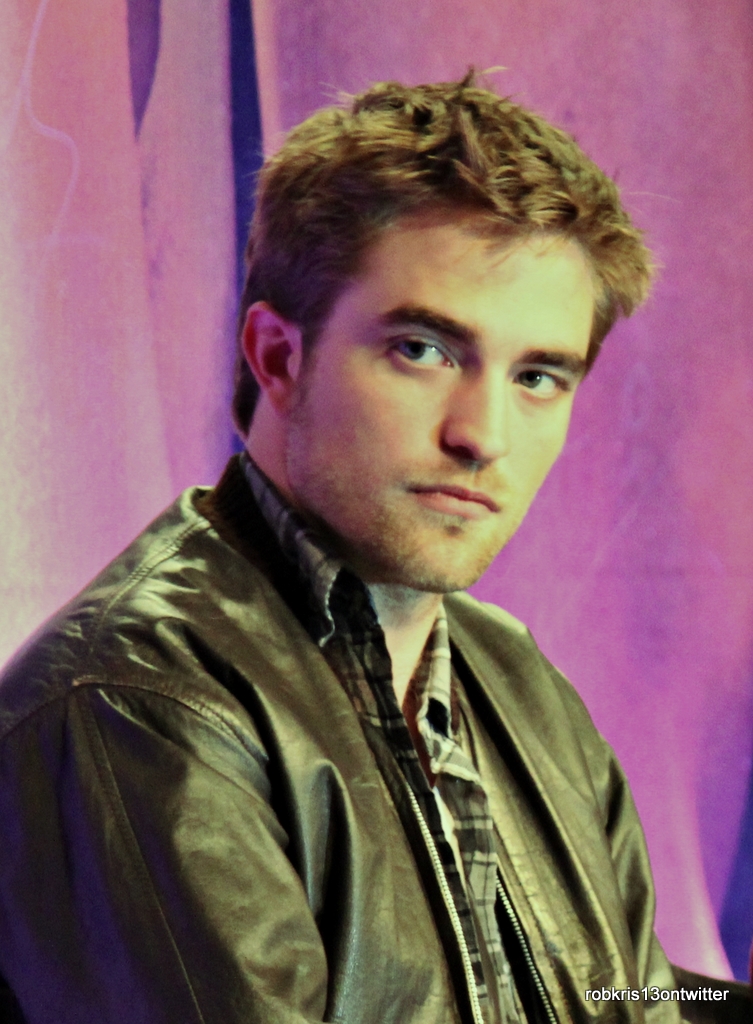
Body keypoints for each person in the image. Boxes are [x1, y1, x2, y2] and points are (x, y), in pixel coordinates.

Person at [0, 75, 678, 1024]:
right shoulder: (136, 705)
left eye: (536, 376)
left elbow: (634, 998)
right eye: (422, 350)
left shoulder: (522, 685)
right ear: (278, 357)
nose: (483, 435)